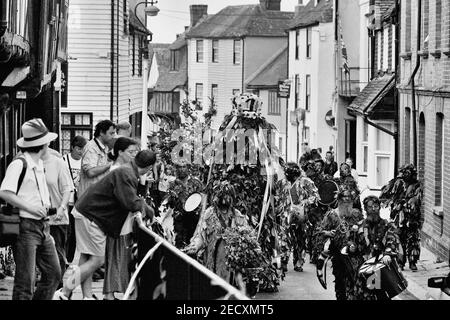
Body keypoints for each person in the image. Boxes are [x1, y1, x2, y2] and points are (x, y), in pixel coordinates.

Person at [53, 150, 156, 300]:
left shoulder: (126, 169)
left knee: (87, 258)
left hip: (85, 211)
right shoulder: (127, 174)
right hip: (92, 216)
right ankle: (65, 290)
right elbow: (130, 202)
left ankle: (83, 296)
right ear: (149, 167)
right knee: (97, 260)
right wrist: (148, 209)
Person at [0, 119, 61, 300]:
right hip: (25, 226)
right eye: (48, 141)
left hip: (43, 226)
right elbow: (4, 192)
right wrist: (32, 208)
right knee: (25, 282)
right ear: (43, 144)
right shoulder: (19, 164)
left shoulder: (39, 163)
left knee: (54, 274)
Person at [184, 182, 248, 283]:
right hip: (213, 261)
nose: (226, 199)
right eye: (223, 196)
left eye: (229, 196)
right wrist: (195, 246)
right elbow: (201, 235)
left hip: (230, 264)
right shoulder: (209, 214)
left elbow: (245, 234)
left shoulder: (236, 215)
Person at [103, 137, 140, 301]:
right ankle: (110, 294)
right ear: (120, 152)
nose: (134, 155)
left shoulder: (123, 169)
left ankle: (114, 292)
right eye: (131, 152)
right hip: (118, 221)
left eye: (135, 152)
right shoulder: (117, 170)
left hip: (122, 220)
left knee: (120, 256)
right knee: (116, 256)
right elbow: (124, 197)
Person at [351, 196, 402, 300]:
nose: (373, 209)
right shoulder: (359, 226)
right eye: (370, 207)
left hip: (381, 265)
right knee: (363, 295)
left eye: (376, 206)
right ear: (365, 209)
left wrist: (387, 254)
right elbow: (352, 243)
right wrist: (352, 247)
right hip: (364, 267)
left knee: (380, 295)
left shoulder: (387, 225)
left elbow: (391, 240)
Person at [42, 147, 73, 289]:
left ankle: (58, 287)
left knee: (57, 252)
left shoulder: (58, 162)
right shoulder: (26, 162)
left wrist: (61, 208)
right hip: (34, 217)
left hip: (56, 217)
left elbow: (67, 189)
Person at [63, 135, 87, 263]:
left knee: (76, 235)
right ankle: (65, 259)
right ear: (72, 147)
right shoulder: (63, 160)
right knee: (67, 231)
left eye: (83, 149)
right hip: (67, 201)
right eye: (78, 148)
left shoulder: (85, 162)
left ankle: (70, 259)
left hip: (80, 202)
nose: (81, 151)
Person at [166, 165, 204, 249]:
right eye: (179, 167)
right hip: (179, 218)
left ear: (188, 168)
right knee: (179, 241)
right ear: (176, 169)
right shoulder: (172, 184)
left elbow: (203, 200)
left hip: (193, 218)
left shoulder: (196, 182)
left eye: (183, 167)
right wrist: (172, 198)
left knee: (192, 241)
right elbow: (171, 205)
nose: (181, 169)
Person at [78, 120, 116, 197]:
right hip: (88, 197)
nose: (113, 137)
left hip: (96, 195)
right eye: (111, 133)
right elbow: (90, 172)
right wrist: (110, 165)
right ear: (101, 132)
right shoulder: (91, 148)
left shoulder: (104, 147)